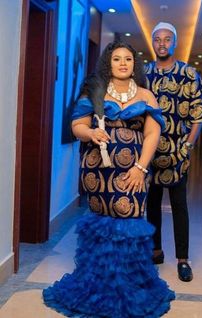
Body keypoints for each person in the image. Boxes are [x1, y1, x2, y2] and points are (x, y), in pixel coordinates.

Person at [42, 40, 175, 317]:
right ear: (108, 63)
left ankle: (128, 288)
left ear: (134, 64)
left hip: (133, 171)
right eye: (116, 59)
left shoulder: (146, 96)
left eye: (128, 58)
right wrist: (90, 133)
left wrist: (140, 168)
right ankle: (97, 287)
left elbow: (152, 134)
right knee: (103, 225)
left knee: (129, 223)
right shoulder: (95, 91)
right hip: (98, 171)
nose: (123, 63)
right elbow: (76, 125)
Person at [145, 22, 202, 282]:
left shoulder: (189, 74)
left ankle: (183, 259)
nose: (162, 44)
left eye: (167, 39)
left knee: (179, 205)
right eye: (157, 39)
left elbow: (200, 114)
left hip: (177, 153)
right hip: (149, 152)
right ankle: (156, 251)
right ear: (153, 43)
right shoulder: (144, 73)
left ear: (174, 43)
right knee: (151, 203)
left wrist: (188, 145)